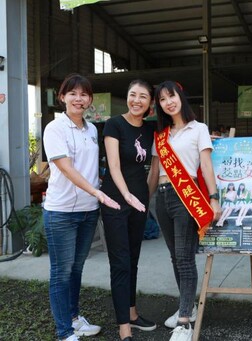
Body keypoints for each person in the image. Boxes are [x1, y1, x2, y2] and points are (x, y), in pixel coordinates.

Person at [42, 73, 120, 341]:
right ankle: (64, 332)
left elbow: (90, 168)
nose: (79, 98)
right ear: (62, 97)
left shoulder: (92, 129)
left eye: (84, 94)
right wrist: (96, 191)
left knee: (76, 269)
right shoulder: (55, 128)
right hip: (61, 212)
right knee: (61, 272)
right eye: (72, 93)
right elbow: (65, 167)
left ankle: (74, 319)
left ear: (90, 100)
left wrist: (101, 188)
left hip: (88, 211)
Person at [147, 80, 222, 341]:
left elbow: (206, 165)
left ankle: (183, 323)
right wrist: (145, 202)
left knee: (184, 257)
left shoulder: (198, 128)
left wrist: (213, 198)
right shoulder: (161, 135)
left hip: (185, 197)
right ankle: (186, 307)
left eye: (172, 96)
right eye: (163, 100)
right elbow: (155, 172)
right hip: (163, 197)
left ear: (181, 96)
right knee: (174, 257)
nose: (169, 102)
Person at [100, 79, 156, 341]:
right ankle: (124, 328)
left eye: (143, 97)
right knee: (120, 262)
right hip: (115, 199)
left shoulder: (151, 129)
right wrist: (127, 196)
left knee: (133, 258)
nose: (137, 100)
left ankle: (132, 313)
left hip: (139, 200)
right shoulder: (114, 124)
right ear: (127, 97)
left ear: (150, 103)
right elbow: (113, 165)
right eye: (133, 94)